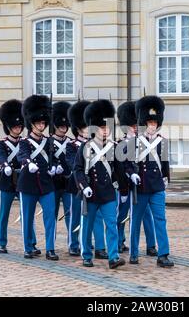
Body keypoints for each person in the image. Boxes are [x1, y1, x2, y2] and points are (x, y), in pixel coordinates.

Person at [74, 99, 126, 269]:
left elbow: (119, 170)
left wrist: (124, 190)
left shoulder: (113, 147)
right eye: (102, 128)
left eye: (107, 127)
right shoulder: (85, 147)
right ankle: (87, 255)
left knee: (111, 225)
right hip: (91, 193)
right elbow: (78, 170)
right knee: (87, 227)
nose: (105, 131)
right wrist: (84, 186)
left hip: (109, 193)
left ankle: (113, 257)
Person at [125, 95, 174, 268]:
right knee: (136, 220)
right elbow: (128, 163)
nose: (152, 126)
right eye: (150, 123)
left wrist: (167, 178)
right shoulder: (135, 142)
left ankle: (163, 254)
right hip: (141, 186)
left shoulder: (163, 142)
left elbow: (165, 163)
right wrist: (132, 174)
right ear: (145, 123)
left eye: (155, 123)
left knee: (160, 220)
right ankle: (133, 253)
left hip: (157, 187)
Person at [0, 99, 40, 254]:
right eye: (15, 126)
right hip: (7, 181)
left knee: (27, 214)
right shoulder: (2, 143)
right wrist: (5, 165)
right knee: (4, 213)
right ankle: (1, 242)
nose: (18, 128)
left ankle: (31, 243)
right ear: (8, 127)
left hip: (22, 181)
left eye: (20, 126)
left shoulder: (26, 142)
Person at [17, 95, 58, 260]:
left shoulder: (49, 141)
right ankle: (28, 247)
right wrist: (28, 163)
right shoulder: (25, 142)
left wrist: (55, 167)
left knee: (50, 217)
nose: (42, 125)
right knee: (27, 218)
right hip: (28, 184)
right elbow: (22, 155)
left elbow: (53, 158)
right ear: (31, 124)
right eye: (39, 123)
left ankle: (50, 248)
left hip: (46, 185)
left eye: (43, 123)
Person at [65, 100, 107, 258]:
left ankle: (100, 247)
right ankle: (74, 244)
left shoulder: (98, 144)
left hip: (95, 185)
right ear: (78, 129)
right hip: (78, 185)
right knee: (76, 216)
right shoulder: (72, 145)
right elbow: (72, 162)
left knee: (97, 217)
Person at [116, 101, 157, 256]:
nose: (134, 128)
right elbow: (119, 167)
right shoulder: (120, 144)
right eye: (132, 125)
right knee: (121, 214)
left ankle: (151, 245)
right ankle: (120, 241)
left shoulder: (144, 143)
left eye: (136, 125)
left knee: (147, 217)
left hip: (141, 185)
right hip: (126, 185)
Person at [51, 101, 72, 248]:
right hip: (52, 183)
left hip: (68, 183)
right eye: (61, 125)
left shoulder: (71, 142)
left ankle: (72, 243)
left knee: (70, 215)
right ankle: (50, 243)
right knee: (51, 215)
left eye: (65, 125)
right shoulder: (48, 142)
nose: (64, 127)